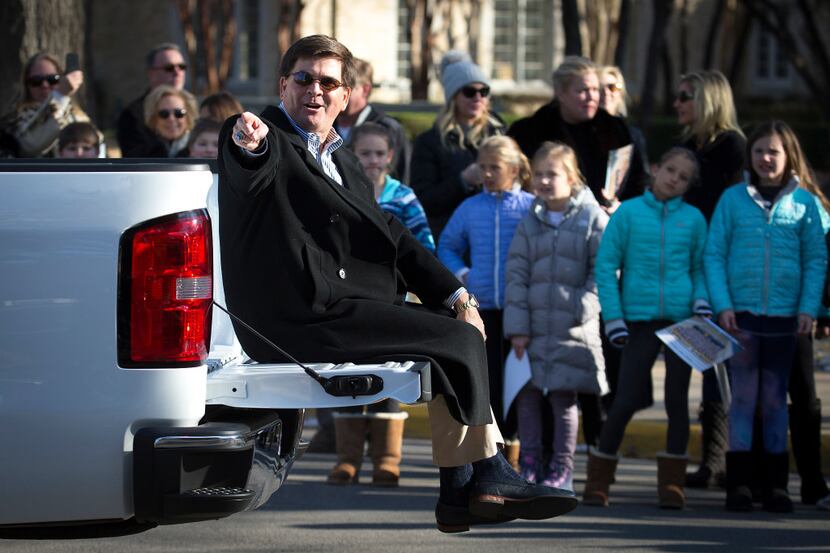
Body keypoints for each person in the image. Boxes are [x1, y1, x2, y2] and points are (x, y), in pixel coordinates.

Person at [217, 34, 576, 533]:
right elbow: (247, 171)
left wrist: (457, 296)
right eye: (304, 79)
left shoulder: (342, 159)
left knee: (457, 334)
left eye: (328, 82)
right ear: (283, 85)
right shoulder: (268, 135)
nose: (314, 90)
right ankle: (483, 476)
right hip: (294, 318)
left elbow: (391, 234)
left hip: (340, 306)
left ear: (347, 97)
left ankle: (460, 491)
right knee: (453, 339)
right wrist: (247, 144)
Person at [509, 56, 650, 453]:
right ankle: (552, 448)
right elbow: (518, 181)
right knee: (550, 359)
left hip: (604, 245)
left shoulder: (617, 130)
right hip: (545, 248)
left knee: (596, 348)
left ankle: (597, 439)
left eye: (596, 90)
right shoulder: (529, 131)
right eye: (582, 90)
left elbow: (641, 183)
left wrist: (621, 207)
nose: (592, 97)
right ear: (561, 93)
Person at [705, 121, 827, 513]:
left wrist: (808, 308)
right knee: (742, 401)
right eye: (759, 151)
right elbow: (715, 254)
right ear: (750, 156)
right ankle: (739, 484)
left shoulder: (805, 204)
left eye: (773, 151)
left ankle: (777, 485)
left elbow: (815, 259)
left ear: (789, 155)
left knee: (775, 403)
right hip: (740, 317)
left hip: (787, 318)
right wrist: (722, 304)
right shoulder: (732, 199)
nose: (766, 158)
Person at [585, 147, 711, 510]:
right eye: (670, 169)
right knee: (624, 400)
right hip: (636, 322)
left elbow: (701, 267)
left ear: (689, 185)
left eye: (683, 176)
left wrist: (702, 301)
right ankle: (599, 479)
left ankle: (672, 485)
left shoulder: (694, 219)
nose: (674, 178)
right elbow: (606, 266)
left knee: (677, 402)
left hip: (681, 322)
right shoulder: (628, 213)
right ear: (655, 168)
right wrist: (614, 317)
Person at [326, 122, 432, 487]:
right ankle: (347, 460)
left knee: (388, 373)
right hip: (349, 297)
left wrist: (412, 287)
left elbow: (423, 248)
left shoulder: (403, 198)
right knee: (348, 375)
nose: (372, 161)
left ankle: (387, 460)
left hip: (392, 298)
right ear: (351, 155)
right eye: (364, 153)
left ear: (390, 157)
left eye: (379, 154)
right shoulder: (337, 187)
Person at [503, 141, 608, 492]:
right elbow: (516, 275)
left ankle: (562, 469)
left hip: (572, 328)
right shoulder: (530, 220)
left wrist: (583, 306)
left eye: (553, 174)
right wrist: (517, 328)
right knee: (529, 396)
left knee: (564, 399)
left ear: (572, 177)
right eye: (540, 175)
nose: (544, 181)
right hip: (531, 328)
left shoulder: (593, 217)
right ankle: (530, 463)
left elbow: (605, 271)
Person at [437, 135, 535, 467]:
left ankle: (518, 449)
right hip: (483, 309)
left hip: (521, 309)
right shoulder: (470, 208)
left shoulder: (530, 207)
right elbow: (447, 245)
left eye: (496, 167)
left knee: (518, 384)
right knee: (489, 380)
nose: (488, 174)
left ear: (514, 168)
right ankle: (494, 456)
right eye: (483, 167)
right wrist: (463, 275)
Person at [675, 70, 746, 490]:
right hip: (692, 266)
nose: (678, 104)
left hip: (725, 268)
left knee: (727, 368)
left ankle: (730, 460)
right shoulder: (687, 146)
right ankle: (713, 460)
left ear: (709, 100)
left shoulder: (733, 147)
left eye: (686, 97)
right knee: (709, 364)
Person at [410, 51, 505, 240]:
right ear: (453, 97)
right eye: (469, 92)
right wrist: (462, 181)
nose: (477, 98)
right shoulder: (430, 142)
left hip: (496, 233)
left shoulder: (500, 134)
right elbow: (423, 201)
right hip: (450, 237)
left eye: (483, 92)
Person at [334, 58, 409, 182]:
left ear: (365, 89)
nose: (339, 94)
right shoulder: (322, 127)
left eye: (346, 88)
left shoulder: (388, 129)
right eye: (335, 86)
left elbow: (402, 178)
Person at [9, 53, 90, 157]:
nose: (45, 85)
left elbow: (98, 146)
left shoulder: (77, 114)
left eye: (52, 79)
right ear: (26, 84)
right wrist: (60, 95)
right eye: (36, 81)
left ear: (61, 79)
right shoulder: (15, 119)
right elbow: (30, 144)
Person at [118, 43, 188, 157]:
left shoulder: (197, 108)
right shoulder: (133, 115)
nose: (177, 72)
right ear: (151, 74)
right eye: (169, 68)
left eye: (182, 67)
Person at [598, 65, 648, 178]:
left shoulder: (633, 135)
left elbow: (641, 177)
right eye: (600, 87)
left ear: (620, 95)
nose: (606, 92)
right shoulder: (579, 130)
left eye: (612, 87)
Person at [142, 85, 197, 157]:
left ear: (188, 117)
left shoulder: (201, 151)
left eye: (178, 113)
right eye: (164, 114)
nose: (171, 119)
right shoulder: (142, 154)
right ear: (154, 119)